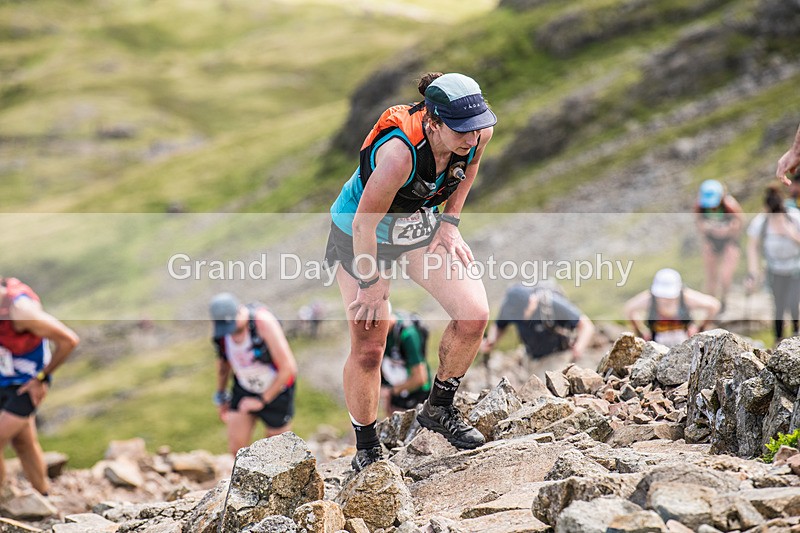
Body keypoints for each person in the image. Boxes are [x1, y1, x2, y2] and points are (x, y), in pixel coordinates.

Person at [324, 72, 496, 471]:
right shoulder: (399, 155)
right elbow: (364, 226)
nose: (471, 139)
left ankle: (438, 409)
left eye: (475, 130)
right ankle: (367, 448)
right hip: (359, 233)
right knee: (370, 344)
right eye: (461, 132)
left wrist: (450, 222)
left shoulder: (477, 133)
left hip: (418, 225)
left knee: (474, 314)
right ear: (433, 123)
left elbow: (469, 168)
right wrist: (370, 283)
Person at [0, 277, 79, 496]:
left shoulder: (21, 312)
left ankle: (3, 501)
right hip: (4, 377)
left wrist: (42, 378)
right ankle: (44, 497)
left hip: (26, 384)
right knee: (23, 442)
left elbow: (69, 341)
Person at [209, 293, 298, 456]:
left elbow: (289, 368)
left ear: (239, 311)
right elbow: (223, 364)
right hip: (244, 387)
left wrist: (261, 400)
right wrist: (221, 395)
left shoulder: (263, 323)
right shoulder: (223, 334)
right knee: (237, 448)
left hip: (277, 390)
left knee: (277, 453)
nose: (230, 332)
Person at [480, 283, 595, 363]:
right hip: (532, 356)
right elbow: (499, 326)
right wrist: (491, 340)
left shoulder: (551, 303)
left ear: (531, 302)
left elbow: (586, 325)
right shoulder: (510, 308)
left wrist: (578, 348)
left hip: (558, 354)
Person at [745, 184, 800, 342]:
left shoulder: (794, 218)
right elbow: (752, 247)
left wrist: (790, 233)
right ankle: (778, 339)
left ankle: (796, 336)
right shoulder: (761, 222)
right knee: (779, 305)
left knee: (793, 302)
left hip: (795, 268)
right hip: (775, 269)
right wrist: (752, 273)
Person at [624, 268, 721, 347]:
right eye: (662, 295)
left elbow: (714, 305)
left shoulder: (686, 297)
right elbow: (629, 309)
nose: (666, 299)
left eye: (670, 296)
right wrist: (640, 333)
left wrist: (700, 329)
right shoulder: (649, 299)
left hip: (686, 345)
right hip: (656, 345)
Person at [694, 179, 744, 312]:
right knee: (711, 277)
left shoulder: (730, 205)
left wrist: (728, 230)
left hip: (729, 242)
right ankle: (710, 305)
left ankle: (724, 301)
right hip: (711, 242)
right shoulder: (700, 206)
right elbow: (699, 224)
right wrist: (708, 230)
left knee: (725, 276)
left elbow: (739, 223)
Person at [380, 309, 432, 416]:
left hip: (416, 395)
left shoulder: (408, 334)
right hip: (396, 388)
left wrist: (391, 392)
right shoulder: (381, 335)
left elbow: (420, 378)